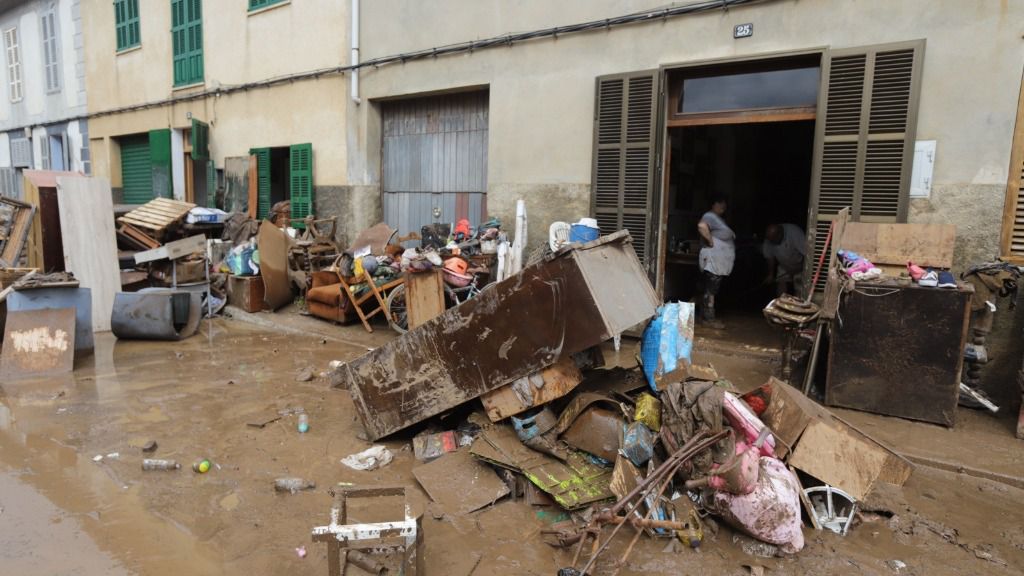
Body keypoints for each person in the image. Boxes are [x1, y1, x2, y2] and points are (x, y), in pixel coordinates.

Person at [697, 196, 735, 329]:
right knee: (711, 289)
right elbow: (702, 226)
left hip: (717, 261)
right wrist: (711, 241)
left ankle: (705, 317)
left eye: (724, 203)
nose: (723, 206)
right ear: (713, 204)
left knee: (710, 288)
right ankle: (709, 319)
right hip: (713, 259)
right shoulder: (709, 216)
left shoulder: (717, 218)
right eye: (720, 203)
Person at [762, 223, 806, 296]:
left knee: (799, 290)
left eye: (773, 240)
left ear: (780, 234)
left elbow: (807, 253)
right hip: (784, 265)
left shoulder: (794, 232)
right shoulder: (769, 240)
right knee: (781, 286)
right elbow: (770, 257)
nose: (771, 242)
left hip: (800, 266)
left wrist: (802, 267)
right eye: (770, 240)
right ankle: (780, 304)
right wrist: (770, 274)